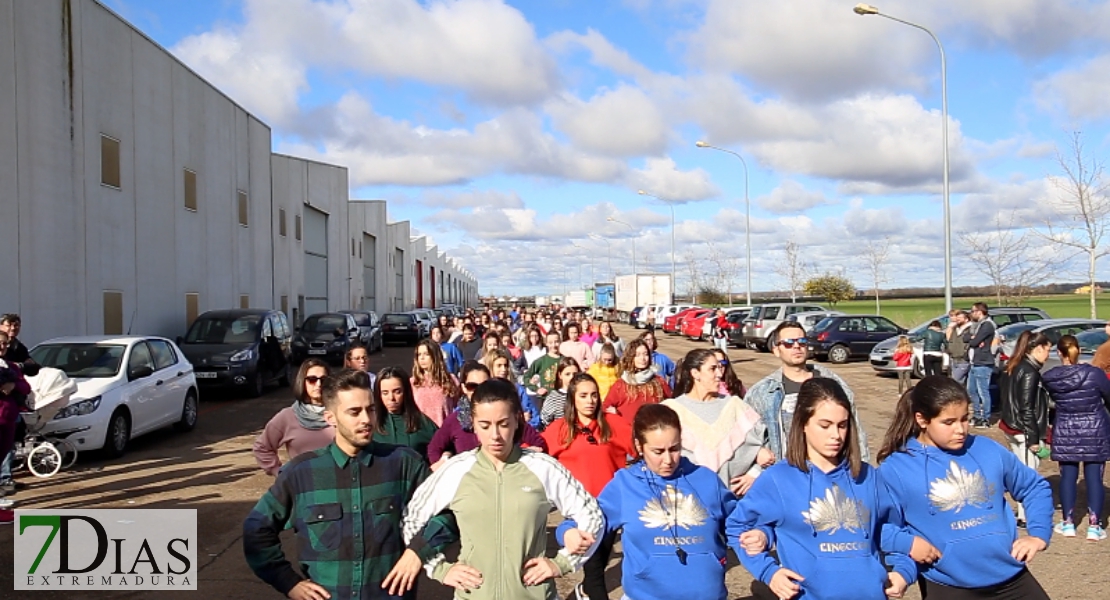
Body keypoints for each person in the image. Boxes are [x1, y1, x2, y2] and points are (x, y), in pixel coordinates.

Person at [244, 369, 459, 600]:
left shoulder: (404, 464)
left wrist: (418, 551)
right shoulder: (301, 473)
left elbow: (450, 512)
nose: (366, 420)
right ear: (331, 418)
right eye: (354, 412)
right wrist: (288, 582)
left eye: (370, 409)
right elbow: (256, 530)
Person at [402, 379, 604, 600]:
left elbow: (593, 516)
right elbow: (412, 518)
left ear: (517, 421)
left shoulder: (543, 467)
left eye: (503, 424)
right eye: (485, 425)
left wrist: (562, 563)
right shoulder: (457, 470)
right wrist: (440, 569)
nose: (495, 435)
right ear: (473, 424)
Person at [727, 378, 915, 600]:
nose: (836, 435)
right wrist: (769, 572)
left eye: (842, 425)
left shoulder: (868, 477)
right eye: (824, 425)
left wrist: (904, 571)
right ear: (803, 424)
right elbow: (737, 526)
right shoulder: (778, 479)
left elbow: (896, 528)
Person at [877, 376, 1053, 599]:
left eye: (965, 419)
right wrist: (907, 550)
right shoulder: (896, 468)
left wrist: (1038, 535)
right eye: (948, 422)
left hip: (1010, 576)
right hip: (949, 585)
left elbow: (1034, 487)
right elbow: (879, 525)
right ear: (922, 419)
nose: (960, 429)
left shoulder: (987, 449)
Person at [555, 404, 742, 600]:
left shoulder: (706, 479)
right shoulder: (625, 485)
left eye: (675, 449)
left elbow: (739, 524)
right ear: (639, 447)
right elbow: (587, 519)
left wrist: (758, 535)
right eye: (658, 451)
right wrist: (567, 531)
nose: (668, 459)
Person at [542, 373, 632, 600]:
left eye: (594, 395)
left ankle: (582, 593)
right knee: (594, 574)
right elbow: (532, 450)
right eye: (583, 395)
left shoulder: (613, 424)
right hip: (580, 513)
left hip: (611, 509)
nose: (590, 400)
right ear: (573, 399)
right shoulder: (560, 429)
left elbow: (644, 447)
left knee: (598, 567)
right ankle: (589, 590)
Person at [744, 321, 869, 461]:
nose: (796, 346)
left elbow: (855, 431)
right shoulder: (762, 393)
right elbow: (745, 437)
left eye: (802, 341)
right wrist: (757, 456)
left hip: (832, 471)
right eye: (789, 343)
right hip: (789, 474)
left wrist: (861, 466)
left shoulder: (833, 383)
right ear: (776, 350)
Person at [664, 349, 773, 496]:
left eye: (719, 367)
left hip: (734, 500)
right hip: (686, 498)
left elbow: (766, 445)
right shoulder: (672, 410)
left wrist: (754, 474)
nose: (719, 374)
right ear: (695, 373)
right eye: (712, 369)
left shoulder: (735, 406)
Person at [1042, 334, 1110, 541]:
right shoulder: (1094, 374)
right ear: (1078, 350)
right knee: (1095, 478)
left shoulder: (1050, 377)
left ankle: (1068, 522)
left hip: (1066, 429)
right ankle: (1094, 525)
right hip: (1094, 429)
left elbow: (1053, 400)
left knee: (1067, 477)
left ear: (1059, 352)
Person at [427, 362, 547, 468]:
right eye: (472, 386)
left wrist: (520, 457)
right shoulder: (454, 420)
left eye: (483, 385)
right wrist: (446, 464)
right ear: (463, 387)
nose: (478, 390)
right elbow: (434, 450)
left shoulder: (505, 414)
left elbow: (539, 445)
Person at [998, 331, 1053, 527]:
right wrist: (1033, 439)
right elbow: (1027, 407)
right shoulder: (1030, 371)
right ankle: (1026, 515)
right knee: (1029, 474)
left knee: (1021, 471)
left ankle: (1022, 512)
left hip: (1011, 425)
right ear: (1037, 349)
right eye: (1047, 350)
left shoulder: (1011, 367)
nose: (1048, 355)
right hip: (1023, 430)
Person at [252, 359, 335, 476]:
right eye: (312, 380)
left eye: (323, 380)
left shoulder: (340, 413)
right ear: (303, 382)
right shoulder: (287, 416)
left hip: (338, 484)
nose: (319, 384)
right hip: (303, 486)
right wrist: (279, 472)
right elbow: (262, 447)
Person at [603, 338, 672, 428]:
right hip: (628, 433)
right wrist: (614, 413)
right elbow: (605, 407)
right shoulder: (621, 385)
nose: (643, 358)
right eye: (637, 355)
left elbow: (671, 404)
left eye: (645, 354)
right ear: (630, 357)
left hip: (653, 432)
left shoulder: (658, 382)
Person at [372, 367, 439, 461]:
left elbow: (445, 445)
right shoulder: (371, 423)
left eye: (397, 392)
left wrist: (443, 458)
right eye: (385, 393)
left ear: (406, 392)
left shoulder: (421, 422)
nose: (391, 398)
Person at [483, 348, 540, 429]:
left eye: (505, 365)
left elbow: (533, 415)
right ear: (490, 367)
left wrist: (523, 424)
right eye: (499, 366)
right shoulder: (484, 391)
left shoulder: (516, 389)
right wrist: (516, 419)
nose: (504, 369)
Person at [410, 339, 461, 427]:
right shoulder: (413, 382)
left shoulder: (450, 379)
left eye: (426, 354)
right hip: (421, 433)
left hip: (444, 432)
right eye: (419, 355)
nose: (422, 358)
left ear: (435, 356)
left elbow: (459, 406)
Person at [967, 302, 997, 428]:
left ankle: (986, 418)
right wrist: (972, 338)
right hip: (974, 362)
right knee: (971, 390)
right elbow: (966, 337)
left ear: (980, 311)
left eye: (973, 311)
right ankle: (977, 415)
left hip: (983, 362)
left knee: (983, 391)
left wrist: (974, 339)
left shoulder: (987, 325)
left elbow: (974, 342)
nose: (971, 313)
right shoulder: (976, 325)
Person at [539, 357, 582, 430]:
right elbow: (545, 420)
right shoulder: (553, 398)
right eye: (567, 374)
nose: (572, 377)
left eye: (575, 374)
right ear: (560, 375)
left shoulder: (583, 394)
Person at [523, 330, 563, 405]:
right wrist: (537, 389)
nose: (554, 345)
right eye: (550, 342)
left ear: (560, 342)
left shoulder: (564, 360)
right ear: (546, 343)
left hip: (562, 400)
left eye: (556, 341)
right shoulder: (541, 361)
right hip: (546, 400)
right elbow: (526, 377)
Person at [945, 309, 972, 385]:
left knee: (955, 382)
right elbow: (949, 340)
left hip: (963, 359)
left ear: (966, 319)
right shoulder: (956, 329)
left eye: (960, 318)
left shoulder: (969, 329)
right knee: (958, 382)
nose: (957, 320)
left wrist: (965, 354)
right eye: (957, 318)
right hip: (954, 359)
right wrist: (949, 328)